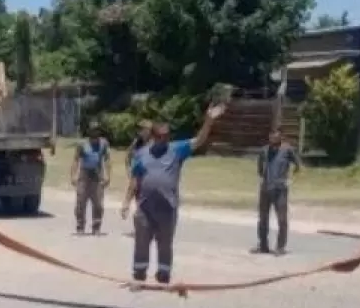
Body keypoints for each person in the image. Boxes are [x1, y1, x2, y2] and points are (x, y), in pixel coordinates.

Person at [120, 105, 226, 285]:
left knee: (165, 243)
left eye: (167, 136)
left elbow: (199, 140)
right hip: (144, 208)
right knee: (141, 243)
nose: (164, 139)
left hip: (167, 208)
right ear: (153, 137)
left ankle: (163, 276)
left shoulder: (177, 149)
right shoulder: (141, 154)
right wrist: (126, 202)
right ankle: (139, 276)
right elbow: (135, 180)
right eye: (160, 136)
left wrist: (209, 121)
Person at [252, 129, 301, 256]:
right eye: (271, 136)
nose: (273, 138)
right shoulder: (264, 150)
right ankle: (263, 245)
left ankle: (280, 247)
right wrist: (263, 178)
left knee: (282, 218)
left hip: (280, 190)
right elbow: (259, 167)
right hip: (265, 189)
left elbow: (297, 165)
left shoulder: (287, 150)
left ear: (281, 137)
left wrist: (288, 179)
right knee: (263, 218)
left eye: (276, 136)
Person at [70, 120, 111, 235]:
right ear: (89, 131)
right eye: (93, 130)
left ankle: (96, 226)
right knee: (80, 202)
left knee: (98, 203)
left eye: (97, 129)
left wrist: (108, 175)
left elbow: (107, 160)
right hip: (84, 175)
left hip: (98, 175)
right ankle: (80, 226)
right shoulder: (82, 144)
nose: (95, 132)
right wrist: (73, 175)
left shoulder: (103, 143)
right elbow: (76, 159)